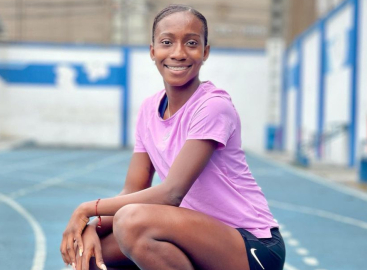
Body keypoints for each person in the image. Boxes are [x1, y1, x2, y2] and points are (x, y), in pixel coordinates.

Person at [60, 4, 285, 270]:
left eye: (191, 43)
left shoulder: (213, 106)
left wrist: (88, 209)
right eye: (167, 42)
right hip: (191, 234)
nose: (178, 53)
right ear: (153, 51)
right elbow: (134, 191)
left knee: (132, 222)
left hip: (250, 245)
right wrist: (93, 228)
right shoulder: (148, 110)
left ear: (205, 52)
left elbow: (171, 193)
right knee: (89, 259)